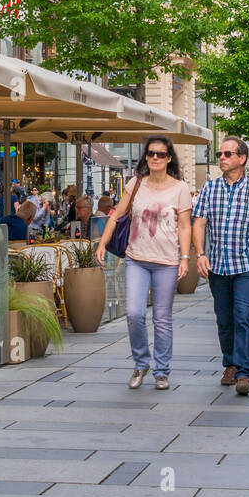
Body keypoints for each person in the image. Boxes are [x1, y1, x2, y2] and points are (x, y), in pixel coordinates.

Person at [98, 135, 192, 392]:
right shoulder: (135, 183)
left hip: (167, 261)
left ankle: (161, 371)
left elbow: (185, 226)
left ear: (169, 158)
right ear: (146, 157)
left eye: (160, 154)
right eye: (151, 153)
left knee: (162, 318)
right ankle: (141, 363)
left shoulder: (180, 188)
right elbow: (116, 216)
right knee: (134, 314)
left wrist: (185, 257)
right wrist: (101, 243)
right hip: (137, 258)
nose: (155, 158)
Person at [192, 137, 249, 397]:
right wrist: (200, 253)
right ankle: (229, 364)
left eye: (228, 153)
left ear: (242, 158)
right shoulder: (209, 189)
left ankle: (243, 372)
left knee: (243, 315)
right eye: (220, 153)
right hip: (217, 266)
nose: (222, 157)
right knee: (224, 319)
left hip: (246, 266)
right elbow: (199, 222)